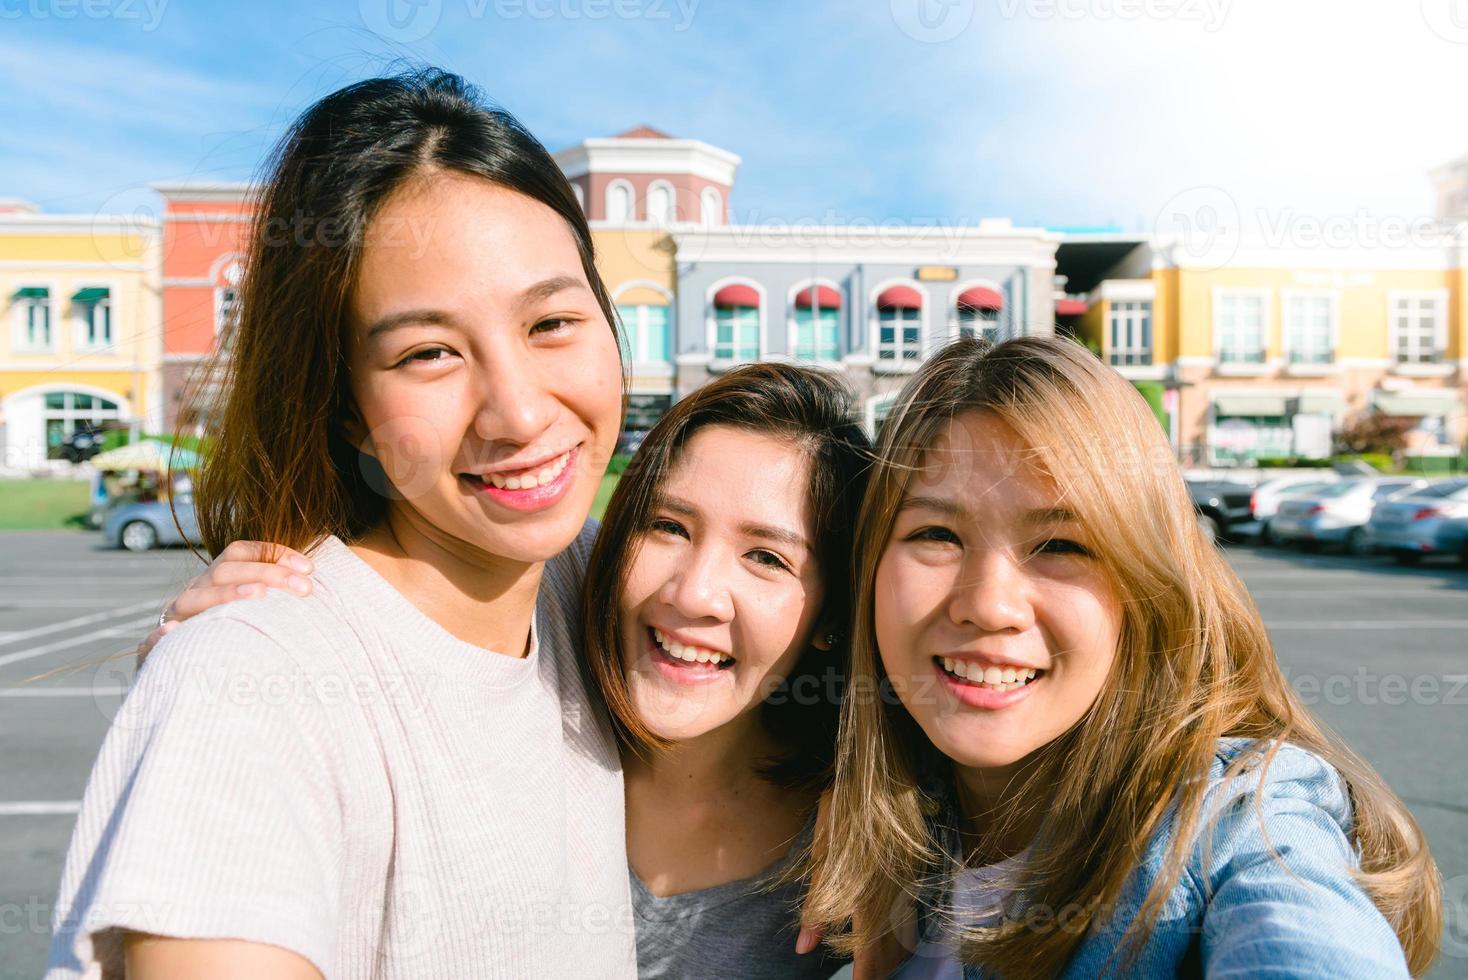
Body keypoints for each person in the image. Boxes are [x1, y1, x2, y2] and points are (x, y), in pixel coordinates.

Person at [48, 69, 634, 980]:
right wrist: (224, 660)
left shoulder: (605, 584)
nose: (518, 413)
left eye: (552, 321)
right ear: (348, 406)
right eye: (428, 353)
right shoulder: (251, 690)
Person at [138, 363, 871, 979]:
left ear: (834, 618)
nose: (693, 592)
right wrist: (222, 639)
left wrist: (878, 806)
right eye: (668, 526)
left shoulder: (861, 841)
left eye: (767, 557)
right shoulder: (532, 651)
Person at [800, 336, 1442, 978]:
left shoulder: (1232, 816)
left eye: (1061, 544)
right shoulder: (876, 814)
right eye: (936, 535)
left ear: (1145, 583)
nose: (990, 606)